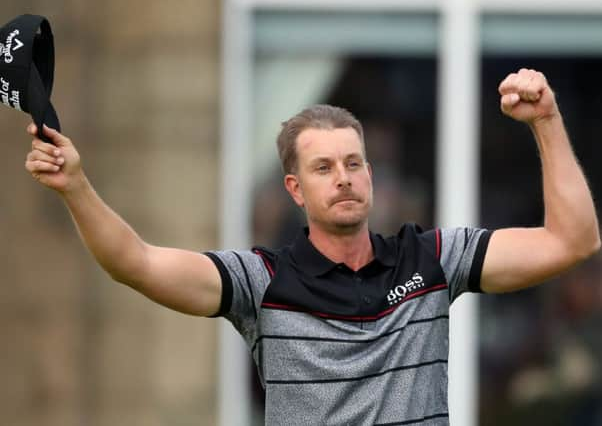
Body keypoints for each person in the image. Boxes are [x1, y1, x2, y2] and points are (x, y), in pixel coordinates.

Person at [24, 68, 600, 425]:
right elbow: (135, 262)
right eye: (324, 168)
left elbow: (573, 242)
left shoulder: (433, 258)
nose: (343, 177)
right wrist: (76, 186)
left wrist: (545, 121)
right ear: (296, 189)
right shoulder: (261, 281)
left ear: (371, 176)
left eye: (354, 164)